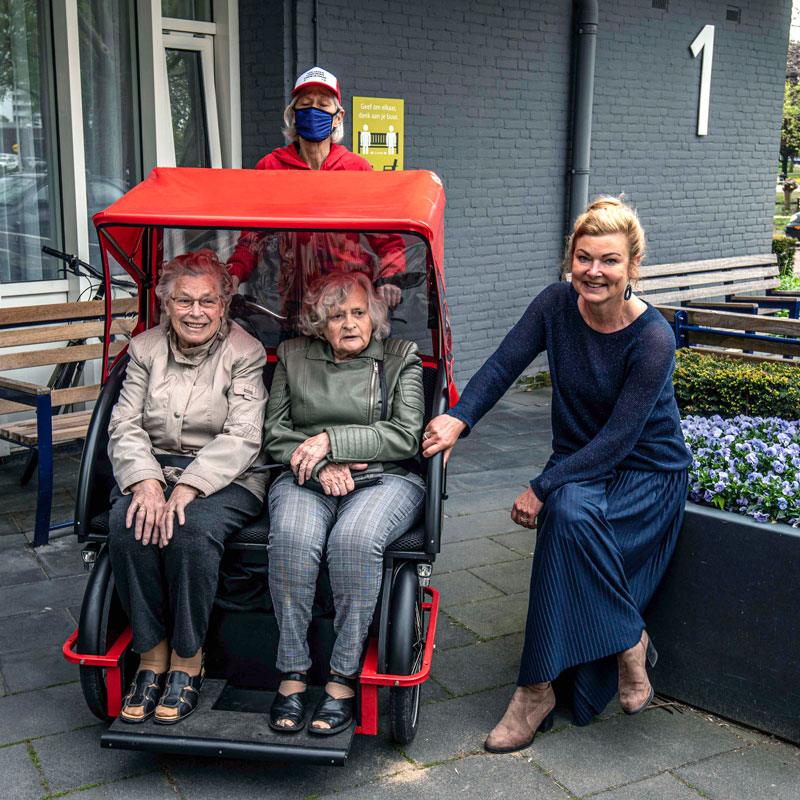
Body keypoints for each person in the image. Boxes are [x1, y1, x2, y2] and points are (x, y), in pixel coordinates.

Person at [422, 197, 691, 753]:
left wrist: (541, 486)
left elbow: (619, 441)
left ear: (632, 268)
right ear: (570, 259)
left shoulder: (654, 338)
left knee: (564, 513)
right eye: (583, 257)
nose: (594, 271)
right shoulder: (554, 305)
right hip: (579, 460)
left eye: (610, 261)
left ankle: (535, 689)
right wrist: (457, 418)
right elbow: (502, 364)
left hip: (645, 472)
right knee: (568, 512)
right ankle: (622, 643)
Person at [107, 249, 268, 725]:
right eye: (184, 301)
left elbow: (242, 435)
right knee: (127, 523)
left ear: (224, 305)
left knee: (191, 530)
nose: (195, 312)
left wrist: (191, 485)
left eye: (207, 301)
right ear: (166, 304)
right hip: (154, 467)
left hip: (229, 475)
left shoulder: (246, 351)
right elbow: (124, 424)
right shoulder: (144, 348)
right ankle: (151, 656)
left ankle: (188, 658)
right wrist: (146, 482)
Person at [263, 271, 425, 735]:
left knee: (354, 541)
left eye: (358, 313)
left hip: (385, 479)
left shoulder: (400, 358)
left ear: (374, 316)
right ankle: (292, 674)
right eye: (336, 316)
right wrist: (317, 464)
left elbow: (404, 435)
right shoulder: (293, 356)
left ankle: (341, 680)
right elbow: (274, 433)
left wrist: (331, 441)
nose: (349, 324)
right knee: (292, 539)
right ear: (319, 323)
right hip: (306, 476)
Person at [227, 66, 404, 318]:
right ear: (294, 115)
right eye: (306, 104)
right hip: (294, 307)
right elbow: (252, 239)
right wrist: (234, 273)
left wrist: (391, 277)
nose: (314, 111)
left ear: (338, 116)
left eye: (323, 105)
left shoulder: (357, 169)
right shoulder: (271, 167)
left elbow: (388, 239)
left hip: (349, 305)